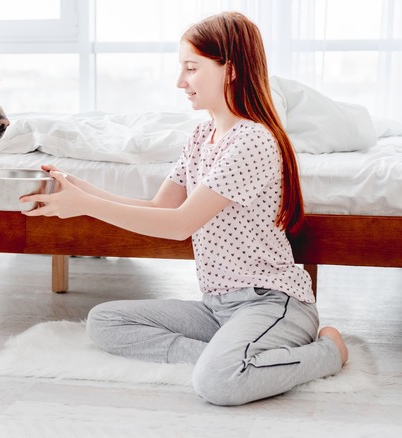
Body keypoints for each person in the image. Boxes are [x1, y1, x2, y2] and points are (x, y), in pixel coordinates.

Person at [19, 11, 349, 406]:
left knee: (218, 385)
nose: (181, 82)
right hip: (217, 308)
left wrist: (85, 205)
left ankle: (328, 353)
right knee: (104, 321)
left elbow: (179, 225)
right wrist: (82, 190)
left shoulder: (252, 142)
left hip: (272, 302)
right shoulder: (201, 135)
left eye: (191, 68)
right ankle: (225, 358)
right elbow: (160, 207)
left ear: (230, 69)